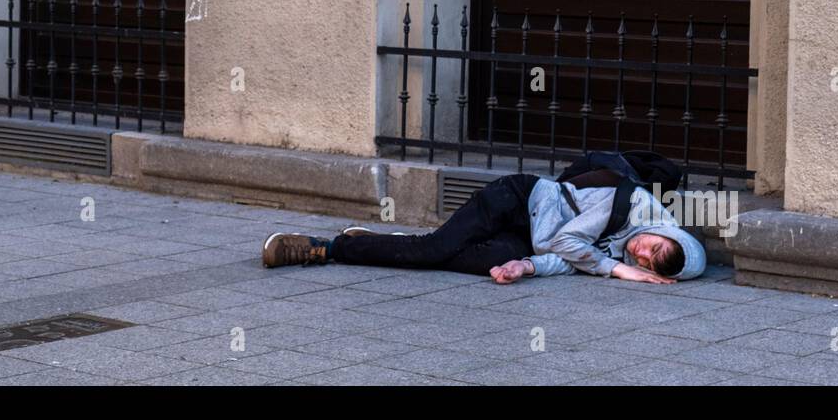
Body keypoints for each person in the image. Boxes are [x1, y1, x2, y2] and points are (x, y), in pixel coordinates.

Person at [261, 172, 705, 284]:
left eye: (650, 264)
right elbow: (568, 242)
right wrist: (616, 271)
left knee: (476, 263)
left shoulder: (630, 247)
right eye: (652, 248)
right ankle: (325, 248)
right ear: (667, 232)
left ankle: (383, 245)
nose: (641, 256)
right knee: (432, 253)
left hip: (529, 236)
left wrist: (526, 269)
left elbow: (569, 260)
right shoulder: (633, 205)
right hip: (517, 199)